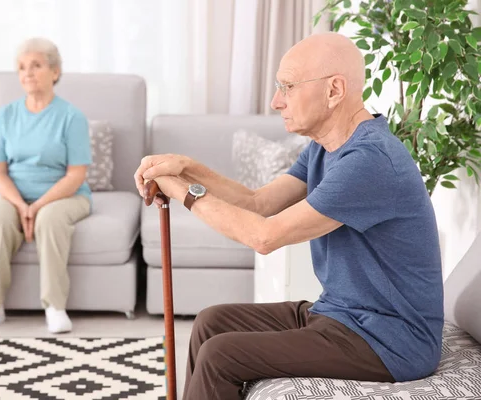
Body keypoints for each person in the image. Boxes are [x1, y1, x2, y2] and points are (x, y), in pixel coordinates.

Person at [134, 32, 444, 400]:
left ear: (334, 90)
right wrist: (187, 167)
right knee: (211, 323)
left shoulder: (370, 160)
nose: (275, 101)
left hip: (390, 339)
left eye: (288, 86)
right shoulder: (323, 147)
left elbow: (264, 236)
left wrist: (181, 190)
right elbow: (257, 203)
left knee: (221, 354)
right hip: (342, 314)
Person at [0, 38, 93, 334]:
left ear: (55, 72)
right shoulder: (6, 115)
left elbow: (76, 176)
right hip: (14, 194)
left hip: (65, 193)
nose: (28, 73)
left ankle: (55, 307)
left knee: (49, 219)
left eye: (36, 65)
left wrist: (37, 207)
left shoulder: (72, 117)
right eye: (22, 67)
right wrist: (22, 205)